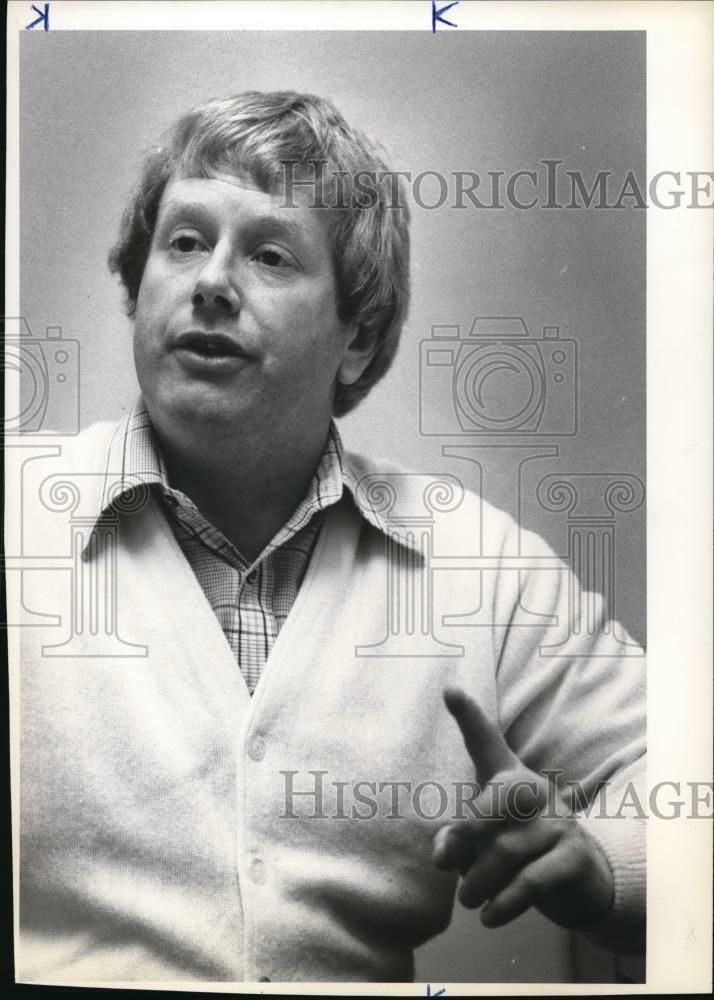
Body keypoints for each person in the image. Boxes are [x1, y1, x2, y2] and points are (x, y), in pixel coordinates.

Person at [16, 91, 645, 984]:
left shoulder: (479, 565)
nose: (211, 283)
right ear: (136, 281)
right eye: (185, 240)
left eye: (269, 254)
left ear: (358, 339)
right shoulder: (18, 512)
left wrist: (608, 870)